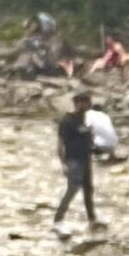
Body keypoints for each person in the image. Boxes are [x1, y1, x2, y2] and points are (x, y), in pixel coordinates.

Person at [53, 88, 99, 233]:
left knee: (88, 189)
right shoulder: (67, 121)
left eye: (88, 102)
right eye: (84, 102)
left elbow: (90, 140)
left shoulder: (87, 120)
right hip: (73, 161)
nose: (87, 105)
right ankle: (58, 220)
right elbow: (60, 144)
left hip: (86, 159)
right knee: (72, 189)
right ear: (77, 103)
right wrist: (63, 164)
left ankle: (92, 219)